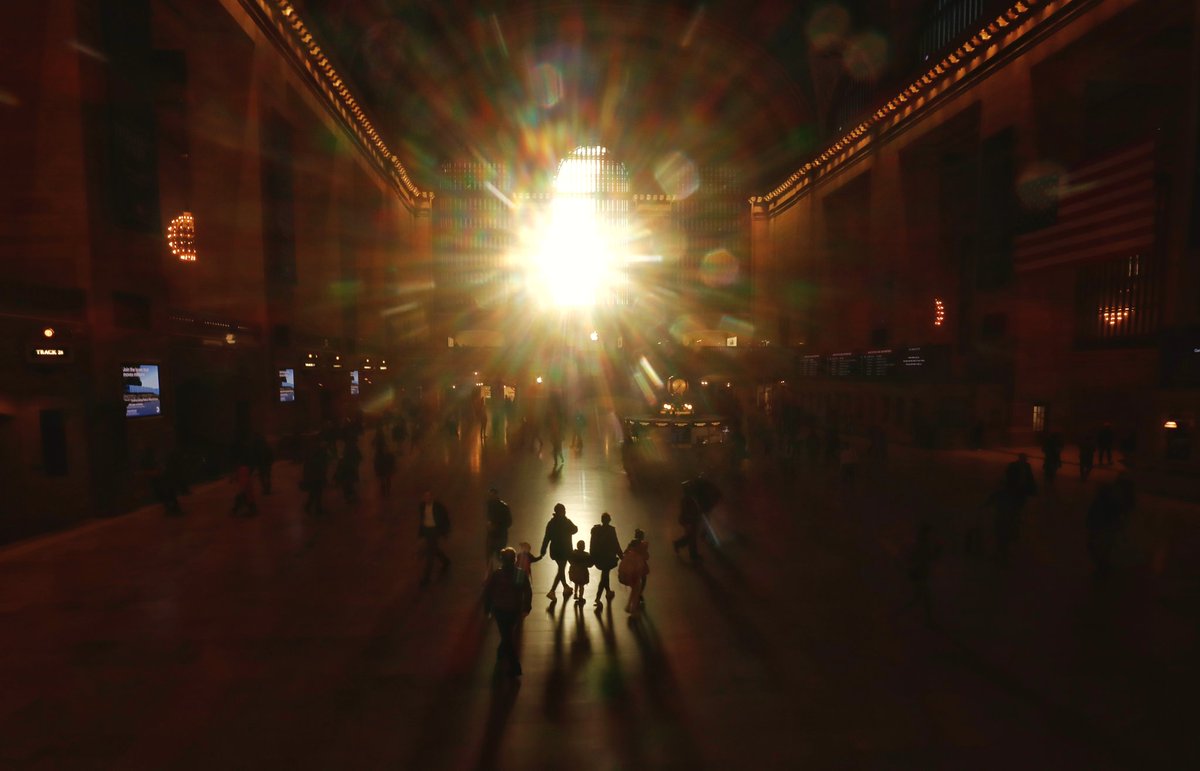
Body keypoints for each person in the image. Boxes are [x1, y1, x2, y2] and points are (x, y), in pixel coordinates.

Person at [482, 547, 530, 678]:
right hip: (514, 608)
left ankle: (512, 663)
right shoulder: (519, 574)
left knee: (506, 635)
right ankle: (508, 661)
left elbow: (489, 591)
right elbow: (527, 591)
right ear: (515, 560)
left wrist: (487, 607)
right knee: (507, 635)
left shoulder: (497, 575)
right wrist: (526, 607)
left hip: (500, 609)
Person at [538, 502, 578, 600]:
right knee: (561, 570)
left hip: (555, 551)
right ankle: (552, 591)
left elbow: (547, 537)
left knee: (561, 569)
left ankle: (565, 587)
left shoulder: (551, 523)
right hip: (564, 550)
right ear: (561, 511)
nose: (565, 512)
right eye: (564, 510)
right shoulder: (566, 522)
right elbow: (575, 529)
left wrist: (543, 550)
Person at [905, 523, 941, 626]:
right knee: (924, 599)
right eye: (929, 533)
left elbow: (926, 558)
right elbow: (926, 558)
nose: (931, 536)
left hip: (921, 575)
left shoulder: (922, 545)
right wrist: (936, 553)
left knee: (919, 599)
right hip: (920, 575)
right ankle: (929, 621)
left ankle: (898, 614)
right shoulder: (922, 545)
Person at [417, 490, 451, 586]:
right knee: (433, 549)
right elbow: (422, 520)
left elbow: (445, 519)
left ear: (432, 497)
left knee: (430, 554)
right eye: (425, 497)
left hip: (435, 531)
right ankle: (445, 560)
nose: (426, 499)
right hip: (427, 530)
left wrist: (445, 532)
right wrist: (421, 533)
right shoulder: (422, 506)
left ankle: (426, 578)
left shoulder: (438, 507)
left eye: (428, 497)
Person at [589, 512, 623, 607]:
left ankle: (608, 591)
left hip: (598, 558)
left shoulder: (596, 530)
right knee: (604, 577)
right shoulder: (611, 530)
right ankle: (598, 598)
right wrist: (621, 556)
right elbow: (616, 544)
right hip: (608, 557)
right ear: (609, 520)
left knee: (605, 574)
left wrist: (592, 557)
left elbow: (592, 544)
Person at [618, 529, 650, 617]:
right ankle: (633, 609)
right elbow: (646, 556)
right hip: (638, 569)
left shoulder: (631, 547)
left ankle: (629, 606)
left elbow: (625, 553)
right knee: (637, 588)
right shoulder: (643, 545)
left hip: (630, 570)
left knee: (634, 588)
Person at [485, 487, 513, 570]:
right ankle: (496, 572)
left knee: (497, 555)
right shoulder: (490, 505)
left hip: (499, 535)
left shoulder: (502, 507)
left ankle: (501, 572)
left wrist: (496, 526)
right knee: (493, 555)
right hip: (496, 534)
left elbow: (508, 522)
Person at [672, 488, 703, 562]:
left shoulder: (689, 499)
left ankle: (678, 544)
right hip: (689, 521)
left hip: (692, 521)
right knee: (692, 538)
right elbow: (687, 513)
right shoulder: (686, 500)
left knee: (690, 537)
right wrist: (689, 523)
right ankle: (693, 556)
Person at [301, 443, 328, 516]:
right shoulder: (318, 459)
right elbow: (321, 469)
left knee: (314, 493)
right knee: (317, 493)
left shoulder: (312, 458)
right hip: (316, 478)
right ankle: (316, 508)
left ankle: (311, 506)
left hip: (314, 478)